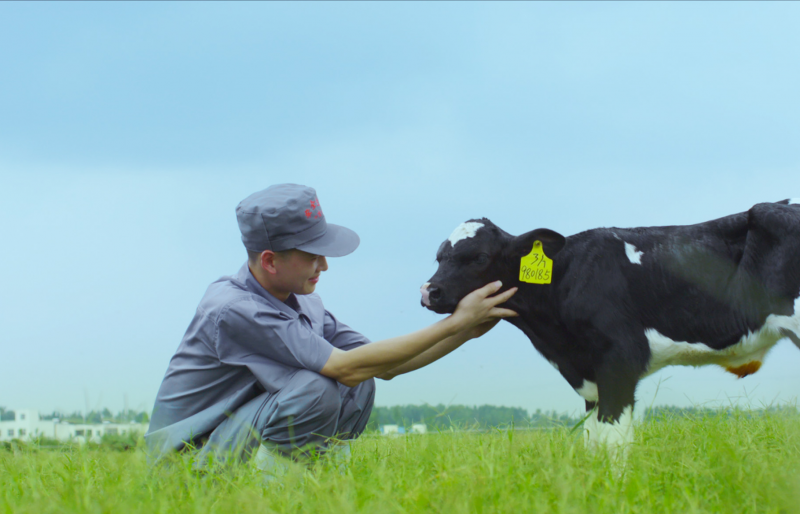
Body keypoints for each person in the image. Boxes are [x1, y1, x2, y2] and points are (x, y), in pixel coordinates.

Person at [145, 184, 517, 471]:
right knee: (317, 385)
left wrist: (465, 329)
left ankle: (321, 485)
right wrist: (458, 322)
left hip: (234, 435)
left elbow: (383, 367)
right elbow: (343, 367)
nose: (324, 265)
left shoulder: (302, 300)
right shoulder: (234, 309)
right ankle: (272, 496)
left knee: (361, 382)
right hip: (186, 461)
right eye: (312, 255)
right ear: (271, 261)